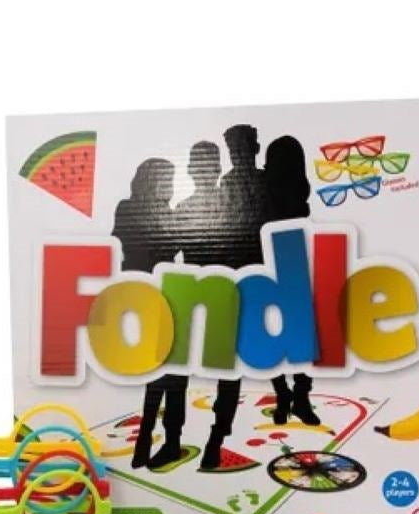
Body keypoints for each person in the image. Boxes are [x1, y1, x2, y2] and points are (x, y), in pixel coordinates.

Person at [196, 125, 268, 470]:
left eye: (241, 146)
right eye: (232, 148)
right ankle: (218, 435)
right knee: (232, 366)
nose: (237, 153)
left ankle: (292, 402)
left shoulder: (267, 182)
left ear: (254, 148)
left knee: (280, 355)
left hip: (268, 281)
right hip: (234, 283)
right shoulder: (225, 185)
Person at [112, 158, 188, 469]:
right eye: (166, 180)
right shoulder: (142, 211)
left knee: (165, 376)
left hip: (145, 300)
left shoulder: (130, 209)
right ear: (152, 181)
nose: (170, 187)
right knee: (169, 375)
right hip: (150, 300)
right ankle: (162, 440)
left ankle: (151, 440)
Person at [263, 135, 320, 426]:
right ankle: (296, 396)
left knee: (273, 332)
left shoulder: (268, 190)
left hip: (275, 261)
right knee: (297, 335)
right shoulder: (299, 193)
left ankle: (287, 396)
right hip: (291, 260)